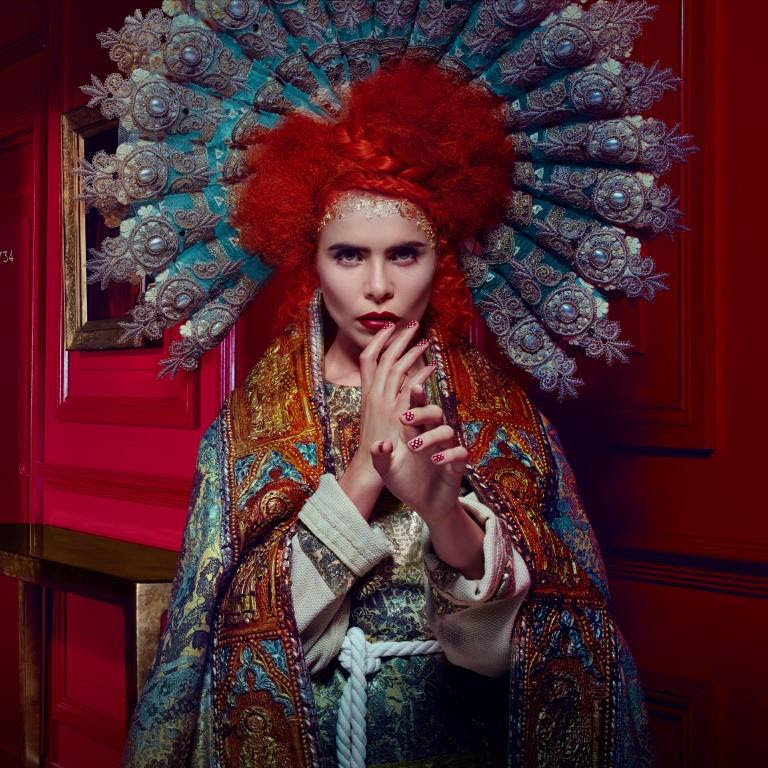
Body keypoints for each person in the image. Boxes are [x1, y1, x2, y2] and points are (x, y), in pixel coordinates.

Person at [121, 63, 653, 768]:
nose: (378, 286)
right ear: (311, 260)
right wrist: (361, 477)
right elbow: (225, 641)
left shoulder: (509, 421)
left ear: (442, 259)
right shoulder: (245, 432)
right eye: (349, 255)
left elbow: (541, 642)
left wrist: (445, 516)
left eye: (405, 254)